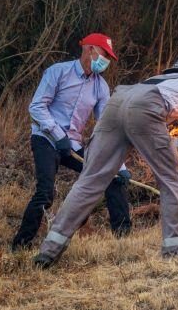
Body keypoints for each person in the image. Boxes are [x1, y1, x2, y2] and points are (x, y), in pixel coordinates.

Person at [33, 57, 178, 267]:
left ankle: (49, 250)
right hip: (147, 107)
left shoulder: (156, 79)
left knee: (89, 180)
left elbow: (146, 128)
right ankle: (174, 248)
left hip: (117, 102)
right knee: (171, 180)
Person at [12, 33, 132, 251]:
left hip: (73, 144)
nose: (105, 61)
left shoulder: (101, 87)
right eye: (104, 55)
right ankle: (21, 245)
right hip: (46, 138)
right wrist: (58, 135)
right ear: (90, 49)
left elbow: (105, 127)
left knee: (112, 178)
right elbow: (37, 107)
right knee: (46, 191)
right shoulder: (58, 72)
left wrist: (119, 165)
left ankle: (124, 240)